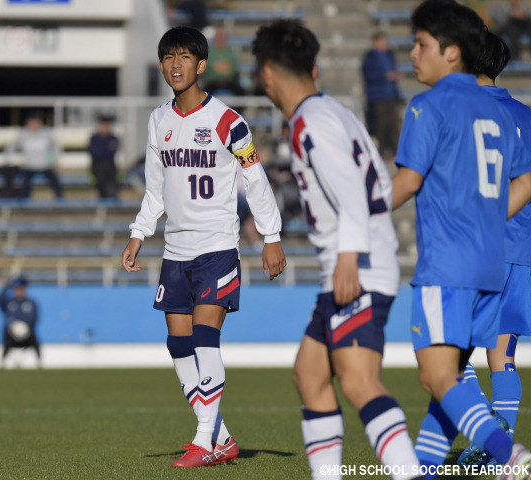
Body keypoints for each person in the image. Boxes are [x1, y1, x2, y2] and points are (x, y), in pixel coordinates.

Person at [252, 20, 424, 480]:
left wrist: (350, 255)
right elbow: (379, 185)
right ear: (313, 66)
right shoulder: (336, 111)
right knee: (310, 376)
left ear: (266, 74)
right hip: (356, 262)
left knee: (359, 381)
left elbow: (351, 190)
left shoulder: (311, 122)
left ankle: (410, 473)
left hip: (357, 268)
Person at [121, 26, 286, 468]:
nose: (176, 64)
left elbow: (254, 176)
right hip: (175, 250)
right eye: (168, 56)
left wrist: (271, 236)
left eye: (185, 56)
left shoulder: (229, 121)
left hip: (216, 247)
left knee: (204, 338)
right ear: (161, 65)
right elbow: (156, 189)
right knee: (178, 345)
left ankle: (202, 442)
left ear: (201, 64)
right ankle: (223, 438)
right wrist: (140, 233)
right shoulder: (159, 120)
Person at [391, 1, 531, 478]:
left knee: (438, 375)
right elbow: (526, 182)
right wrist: (488, 220)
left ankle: (503, 450)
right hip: (493, 261)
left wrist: (360, 214)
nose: (412, 54)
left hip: (448, 264)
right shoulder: (500, 111)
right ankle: (425, 470)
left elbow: (407, 182)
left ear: (453, 53)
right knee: (453, 375)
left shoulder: (429, 105)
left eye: (421, 44)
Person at [457, 31, 531, 468]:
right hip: (523, 248)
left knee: (447, 352)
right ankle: (498, 449)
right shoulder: (525, 114)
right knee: (501, 356)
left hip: (482, 246)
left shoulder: (466, 113)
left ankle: (491, 439)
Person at [361, 31, 402, 162]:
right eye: (383, 41)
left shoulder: (390, 54)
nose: (385, 44)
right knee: (380, 126)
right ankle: (382, 153)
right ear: (376, 42)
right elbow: (368, 75)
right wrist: (385, 76)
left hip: (391, 95)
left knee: (394, 124)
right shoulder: (369, 57)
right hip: (377, 97)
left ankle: (395, 152)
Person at [5, 112, 63, 200]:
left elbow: (54, 149)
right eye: (32, 122)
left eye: (37, 122)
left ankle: (60, 201)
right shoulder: (23, 134)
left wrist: (54, 161)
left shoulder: (47, 133)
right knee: (25, 185)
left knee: (56, 183)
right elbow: (10, 147)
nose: (35, 125)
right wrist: (9, 161)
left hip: (45, 166)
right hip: (29, 167)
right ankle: (24, 204)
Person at [0, 276, 41, 369]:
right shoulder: (9, 303)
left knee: (35, 338)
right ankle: (2, 362)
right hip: (12, 334)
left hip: (27, 334)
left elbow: (34, 318)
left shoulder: (30, 303)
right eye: (17, 289)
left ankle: (39, 361)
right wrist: (7, 285)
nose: (19, 291)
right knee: (6, 336)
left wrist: (25, 326)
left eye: (21, 289)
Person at [204, 26, 244, 96]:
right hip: (213, 83)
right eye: (218, 37)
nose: (220, 39)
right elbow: (206, 68)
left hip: (229, 82)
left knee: (241, 92)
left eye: (222, 37)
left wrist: (217, 66)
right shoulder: (209, 53)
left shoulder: (231, 52)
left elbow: (234, 69)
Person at [87, 116, 119, 199]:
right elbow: (94, 154)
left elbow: (110, 153)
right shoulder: (94, 139)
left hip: (110, 169)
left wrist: (101, 150)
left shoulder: (113, 139)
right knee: (102, 181)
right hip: (97, 168)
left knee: (111, 182)